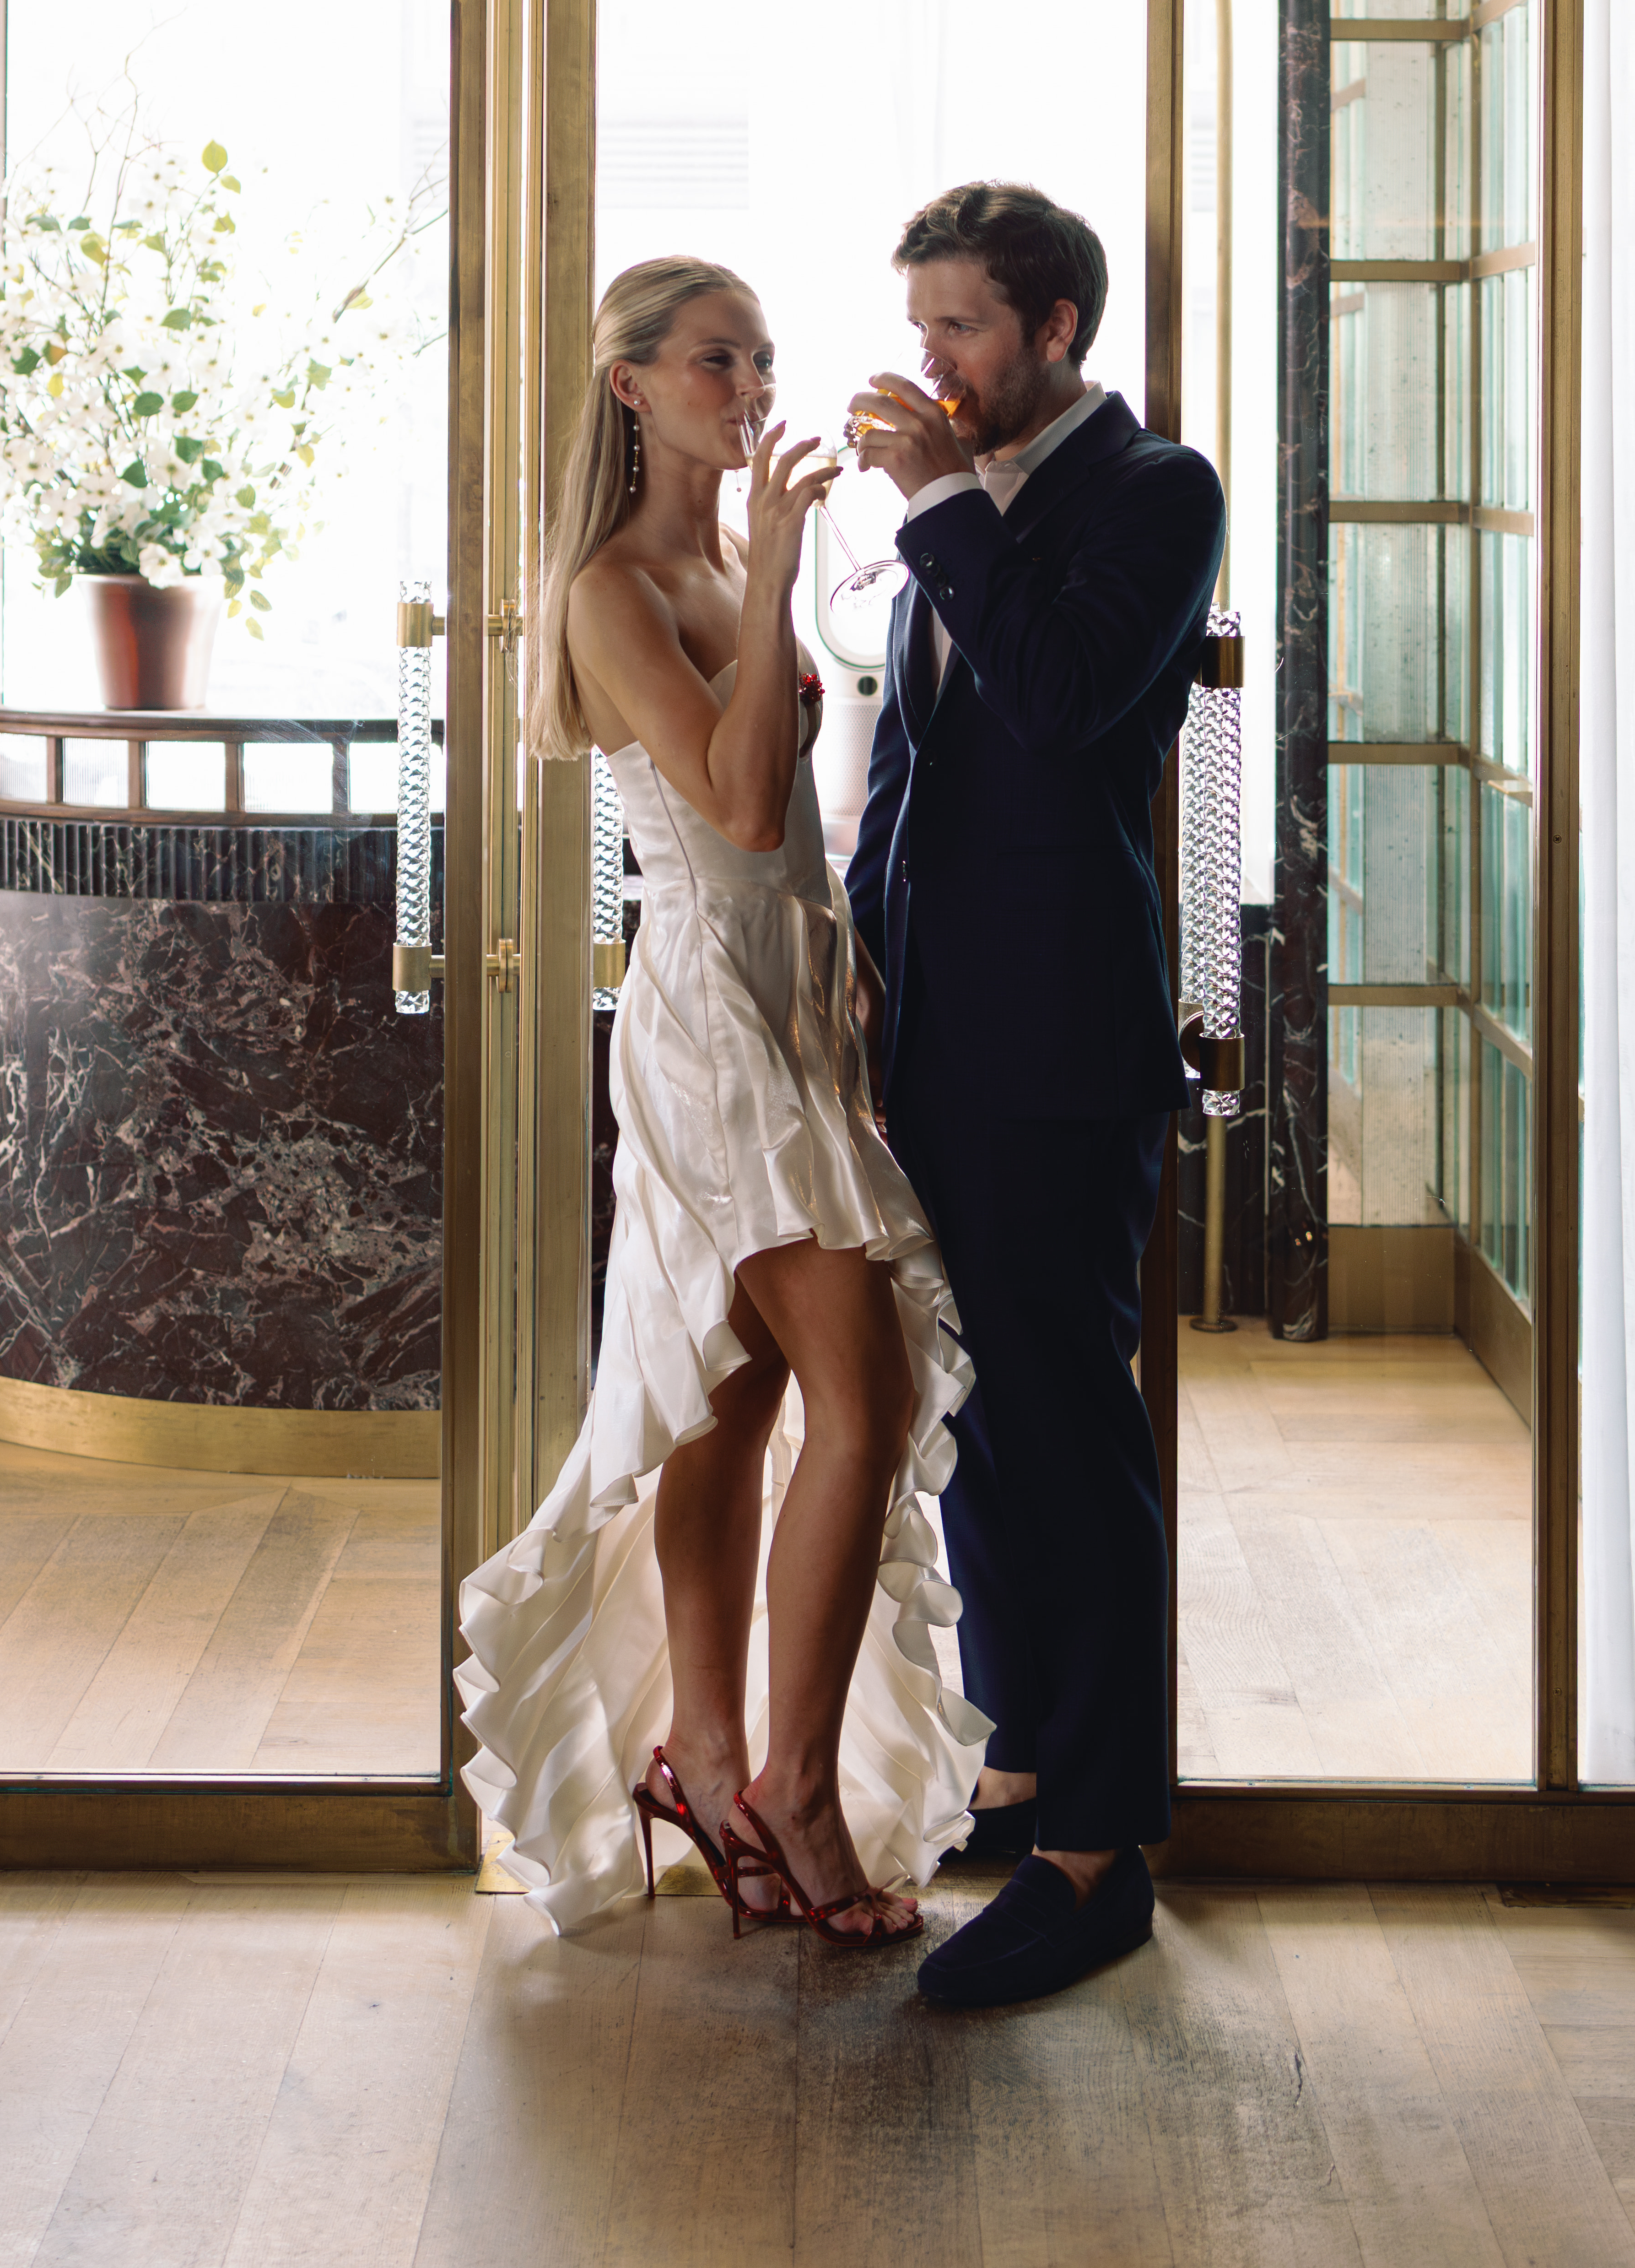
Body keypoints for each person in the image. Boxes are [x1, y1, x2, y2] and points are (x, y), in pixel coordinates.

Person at [456, 256, 985, 1941]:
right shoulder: (611, 587)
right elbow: (743, 810)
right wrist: (774, 579)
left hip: (796, 1002)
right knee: (865, 1400)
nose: (749, 387)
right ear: (630, 385)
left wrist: (854, 976)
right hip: (708, 1021)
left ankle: (703, 1753)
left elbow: (799, 837)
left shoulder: (739, 557)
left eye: (759, 359)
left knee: (730, 1397)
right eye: (711, 360)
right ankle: (796, 1796)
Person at [844, 181, 1225, 2010]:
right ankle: (1015, 1761)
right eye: (919, 324)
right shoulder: (956, 512)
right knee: (976, 1417)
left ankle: (1102, 1848)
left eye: (962, 327)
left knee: (1070, 1431)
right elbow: (908, 783)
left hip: (1064, 1048)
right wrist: (857, 978)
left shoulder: (1156, 492)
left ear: (1054, 326)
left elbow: (1068, 704)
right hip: (934, 1040)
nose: (931, 358)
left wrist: (935, 507)